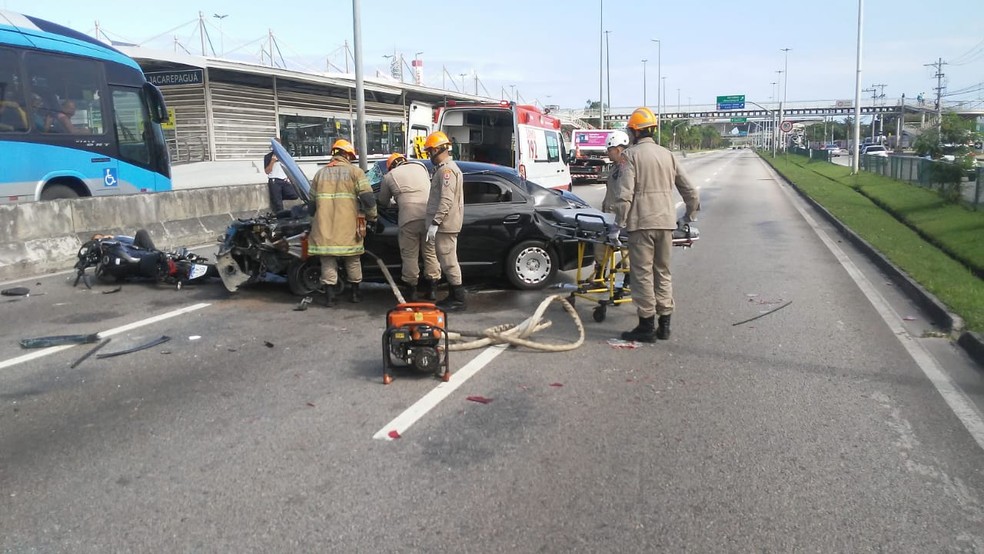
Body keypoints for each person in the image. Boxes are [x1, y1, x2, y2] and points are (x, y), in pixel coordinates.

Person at [613, 107, 700, 342]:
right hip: (666, 223)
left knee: (642, 274)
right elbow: (690, 190)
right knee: (663, 272)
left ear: (635, 132)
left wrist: (618, 224)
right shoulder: (667, 155)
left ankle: (646, 325)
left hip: (641, 224)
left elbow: (624, 195)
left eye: (630, 131)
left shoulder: (630, 156)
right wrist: (689, 216)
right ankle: (665, 325)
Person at [308, 139, 377, 307]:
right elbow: (368, 198)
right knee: (352, 260)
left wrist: (313, 220)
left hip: (324, 227)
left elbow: (311, 203)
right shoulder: (355, 172)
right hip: (348, 227)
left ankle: (330, 297)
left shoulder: (320, 174)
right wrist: (372, 217)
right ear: (347, 154)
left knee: (328, 260)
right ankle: (355, 293)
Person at [377, 152, 440, 301]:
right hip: (429, 216)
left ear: (390, 166)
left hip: (408, 218)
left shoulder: (389, 176)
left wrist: (396, 201)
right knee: (430, 252)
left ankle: (412, 291)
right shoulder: (421, 167)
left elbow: (383, 202)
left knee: (409, 255)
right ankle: (432, 290)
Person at [423, 131, 466, 312]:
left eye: (430, 151)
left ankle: (459, 299)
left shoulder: (446, 171)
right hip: (445, 225)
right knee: (447, 261)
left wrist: (435, 222)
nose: (429, 155)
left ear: (438, 150)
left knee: (449, 262)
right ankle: (453, 295)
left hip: (445, 225)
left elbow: (446, 200)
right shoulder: (445, 169)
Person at [592, 130, 631, 280]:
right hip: (609, 217)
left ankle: (628, 283)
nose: (607, 153)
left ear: (618, 149)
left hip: (623, 219)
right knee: (601, 247)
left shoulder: (628, 168)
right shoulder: (615, 167)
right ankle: (599, 276)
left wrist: (619, 223)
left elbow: (626, 196)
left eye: (609, 150)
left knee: (627, 254)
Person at [263, 137, 299, 213]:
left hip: (284, 180)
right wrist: (272, 161)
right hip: (274, 181)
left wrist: (289, 177)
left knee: (294, 194)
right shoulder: (268, 156)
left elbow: (289, 167)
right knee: (278, 205)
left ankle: (277, 197)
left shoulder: (284, 156)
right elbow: (267, 171)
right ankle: (279, 215)